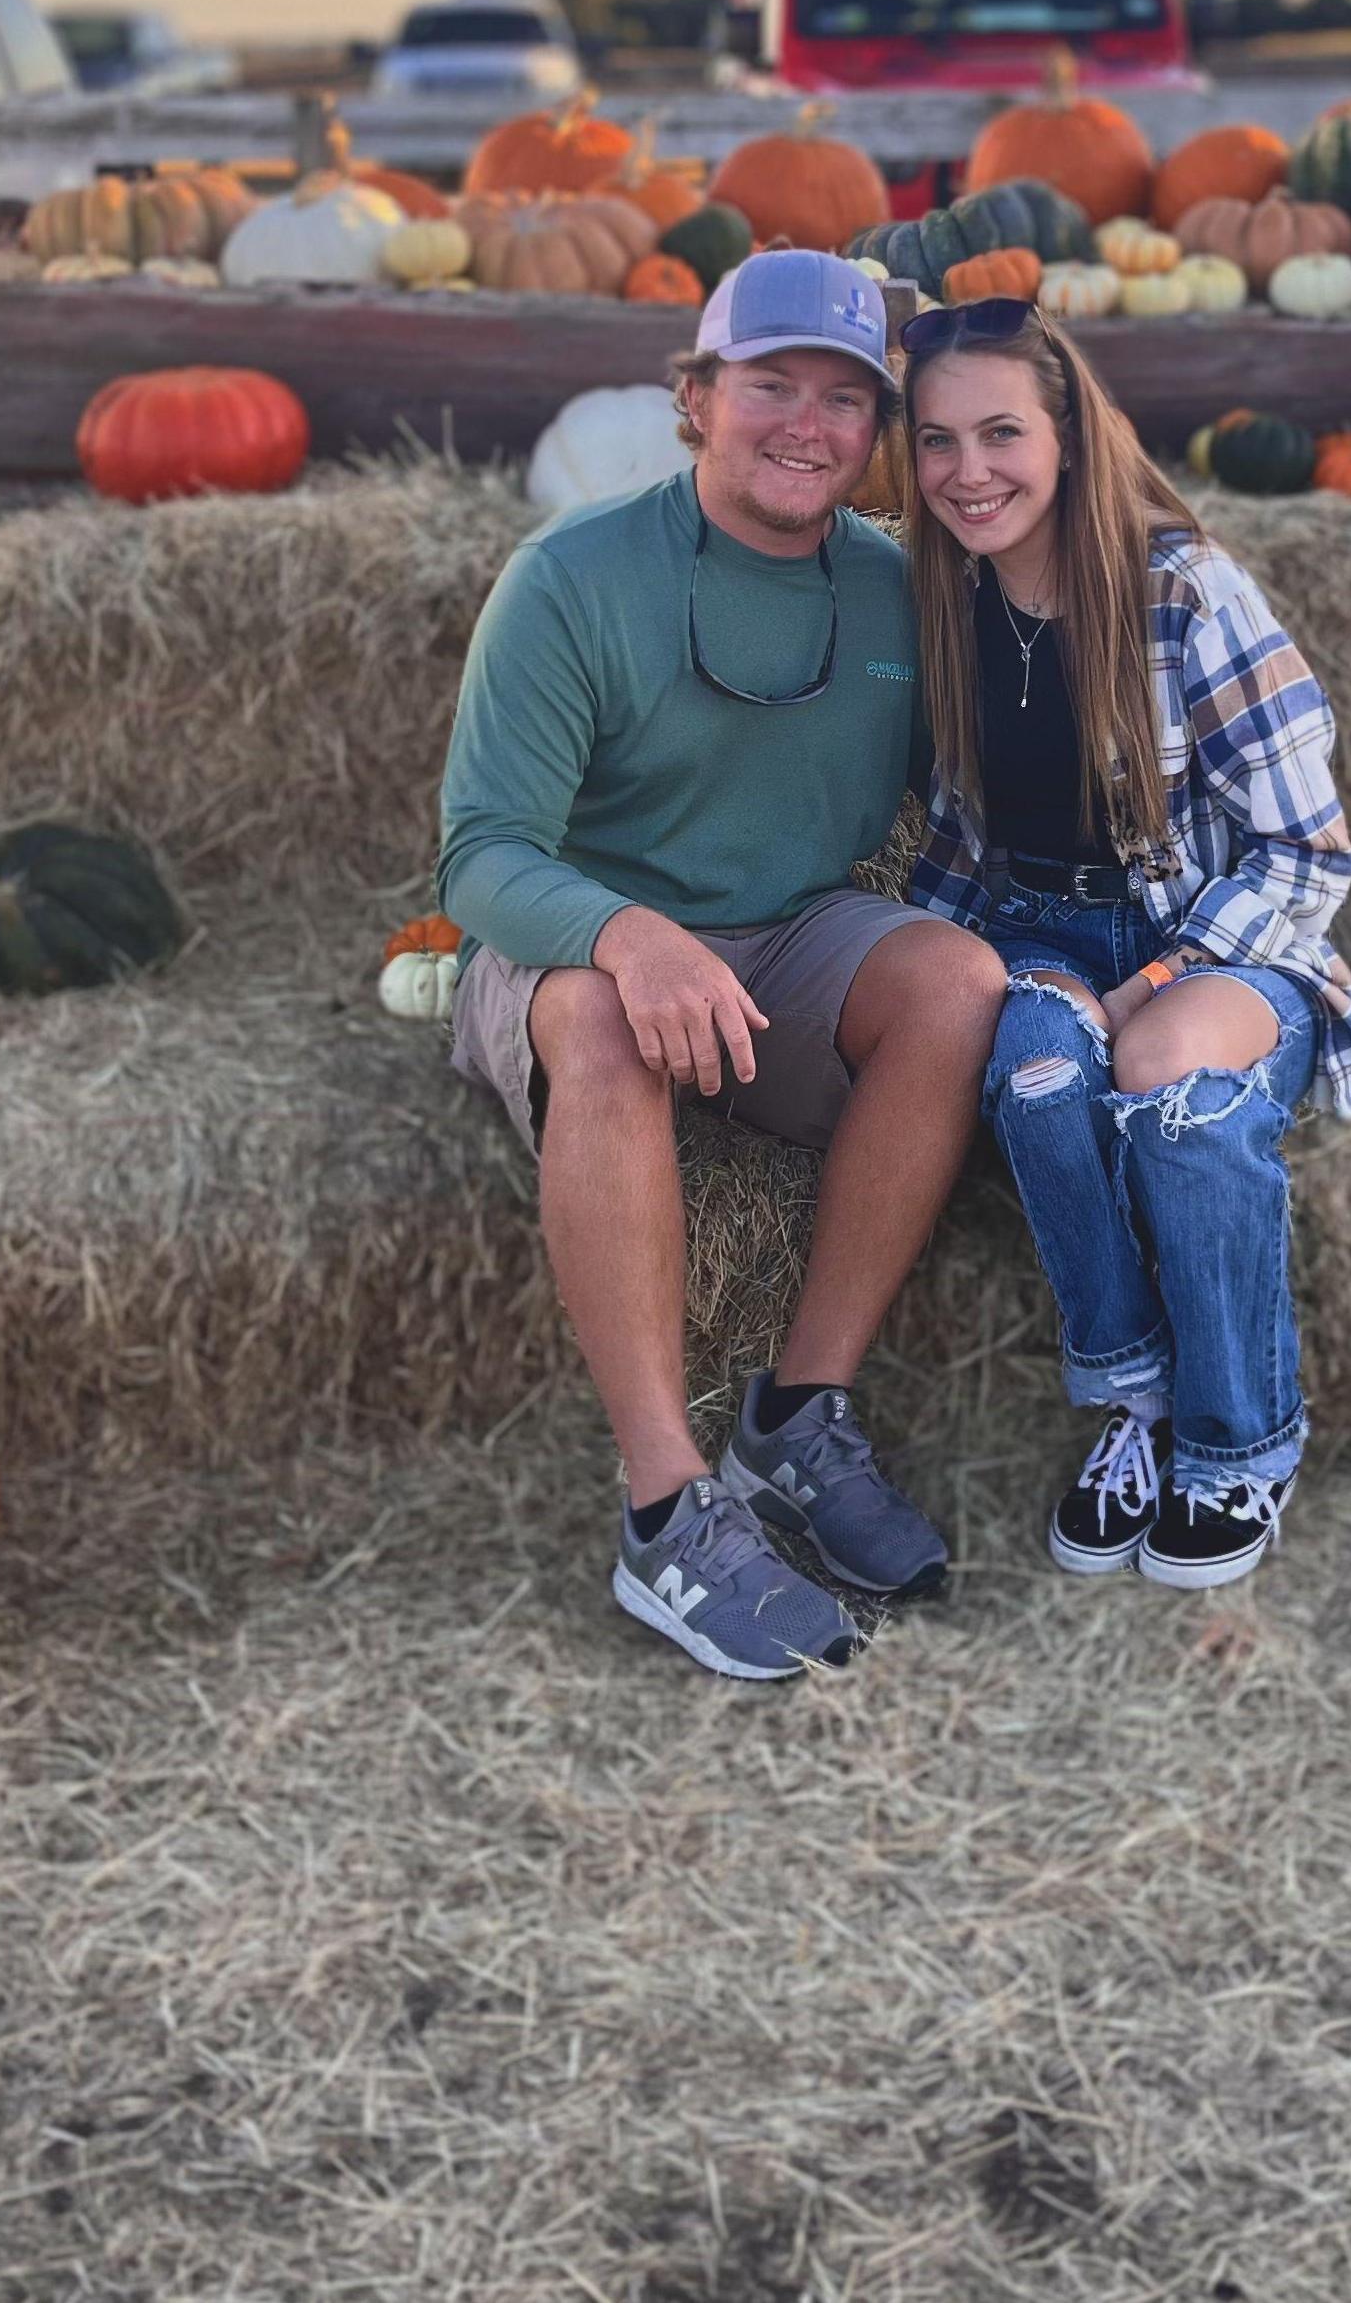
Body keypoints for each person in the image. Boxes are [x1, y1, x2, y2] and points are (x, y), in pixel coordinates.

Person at [437, 250, 1008, 1682]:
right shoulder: (566, 577)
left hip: (787, 939)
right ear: (693, 399)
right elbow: (483, 857)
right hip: (574, 944)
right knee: (611, 1029)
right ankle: (665, 1506)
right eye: (769, 388)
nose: (805, 425)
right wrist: (630, 936)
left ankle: (797, 1419)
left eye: (843, 398)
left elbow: (1004, 781)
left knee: (956, 984)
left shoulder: (896, 592)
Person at [900, 299, 1351, 1589]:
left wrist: (1158, 978)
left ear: (1068, 433)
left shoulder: (1180, 591)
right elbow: (958, 843)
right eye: (936, 442)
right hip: (1036, 928)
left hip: (1214, 936)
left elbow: (1308, 853)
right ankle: (1143, 1405)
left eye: (1001, 432)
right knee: (1043, 1073)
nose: (967, 472)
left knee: (1174, 1101)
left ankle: (1242, 1446)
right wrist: (900, 990)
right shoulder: (946, 595)